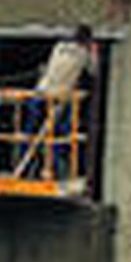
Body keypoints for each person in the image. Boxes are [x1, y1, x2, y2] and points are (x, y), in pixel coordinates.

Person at [27, 24, 94, 182]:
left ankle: (31, 169)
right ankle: (58, 173)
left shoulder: (59, 47)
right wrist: (94, 52)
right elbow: (94, 71)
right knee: (58, 138)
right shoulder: (83, 54)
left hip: (40, 92)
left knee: (30, 136)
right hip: (59, 98)